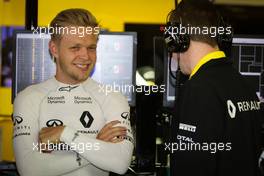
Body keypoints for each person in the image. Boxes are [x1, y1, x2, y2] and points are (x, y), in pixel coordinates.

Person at [13, 8, 134, 176]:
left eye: (91, 47)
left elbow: (120, 162)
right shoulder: (29, 98)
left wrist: (65, 133)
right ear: (54, 49)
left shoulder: (112, 97)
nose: (85, 56)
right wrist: (94, 145)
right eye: (75, 48)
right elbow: (29, 168)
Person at [164, 1, 263, 176]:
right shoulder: (245, 86)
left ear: (180, 39)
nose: (172, 54)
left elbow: (190, 168)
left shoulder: (198, 90)